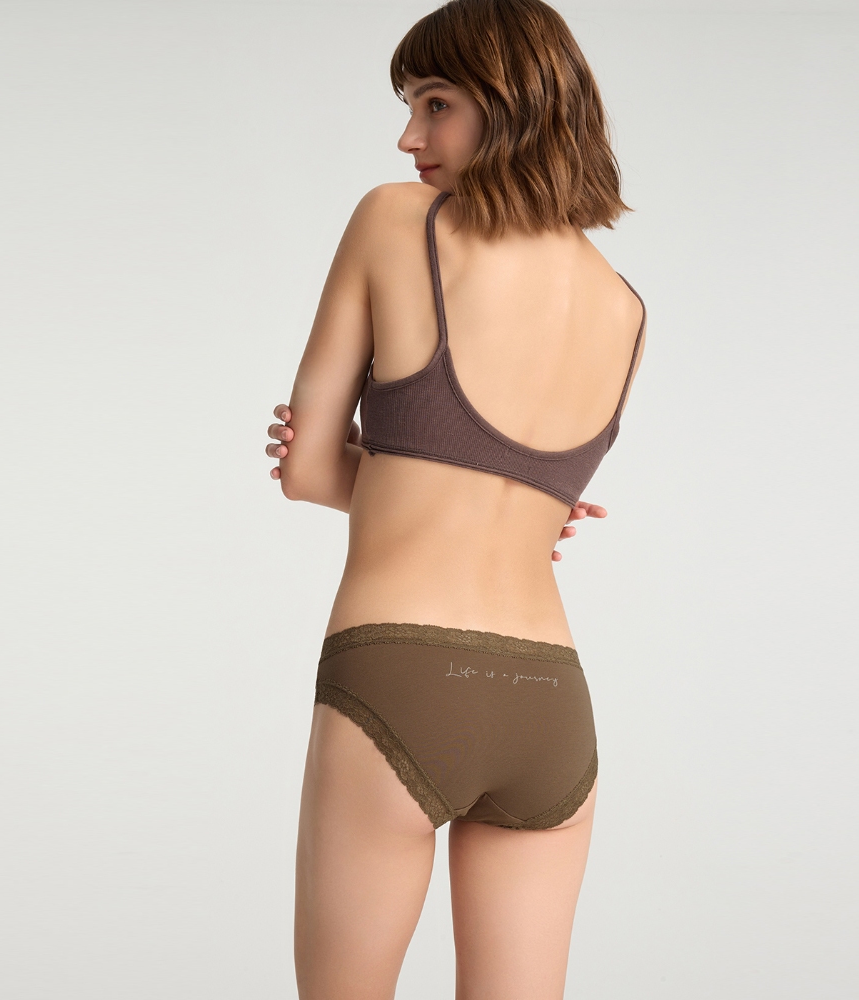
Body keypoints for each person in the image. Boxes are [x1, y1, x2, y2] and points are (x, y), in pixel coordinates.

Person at [265, 1, 645, 996]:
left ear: (516, 100)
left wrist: (374, 469)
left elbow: (307, 469)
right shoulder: (624, 306)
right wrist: (477, 497)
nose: (408, 138)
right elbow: (514, 502)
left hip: (397, 676)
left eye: (435, 103)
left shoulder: (394, 219)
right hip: (550, 706)